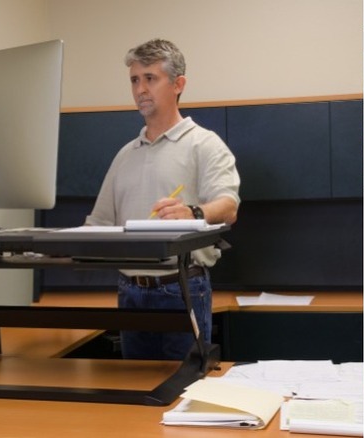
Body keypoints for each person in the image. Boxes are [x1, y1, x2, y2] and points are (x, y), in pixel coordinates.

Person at [85, 39, 241, 360]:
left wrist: (193, 212)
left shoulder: (205, 145)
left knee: (184, 391)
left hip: (181, 287)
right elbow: (97, 224)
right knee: (137, 390)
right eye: (134, 80)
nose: (140, 89)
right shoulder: (125, 155)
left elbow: (229, 208)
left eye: (150, 78)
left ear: (178, 84)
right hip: (130, 292)